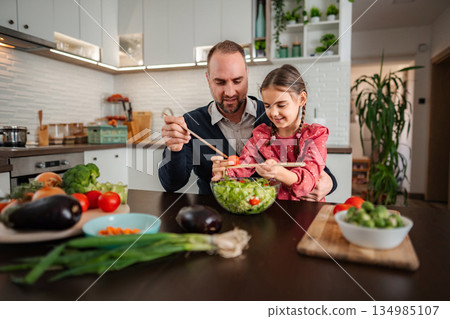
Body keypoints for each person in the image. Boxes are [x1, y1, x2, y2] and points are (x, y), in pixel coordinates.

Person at [159, 40, 336, 200]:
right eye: (220, 82)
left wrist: (329, 183)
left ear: (247, 75)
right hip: (213, 214)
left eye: (237, 81)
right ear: (208, 79)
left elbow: (314, 168)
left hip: (269, 215)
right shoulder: (192, 124)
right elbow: (172, 184)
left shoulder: (273, 118)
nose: (229, 92)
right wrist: (175, 150)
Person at [212, 64, 328, 201]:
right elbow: (244, 165)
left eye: (281, 105)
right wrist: (225, 171)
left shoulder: (314, 135)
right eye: (268, 105)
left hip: (306, 210)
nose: (273, 113)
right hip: (272, 208)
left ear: (301, 99)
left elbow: (308, 179)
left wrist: (279, 172)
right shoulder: (261, 135)